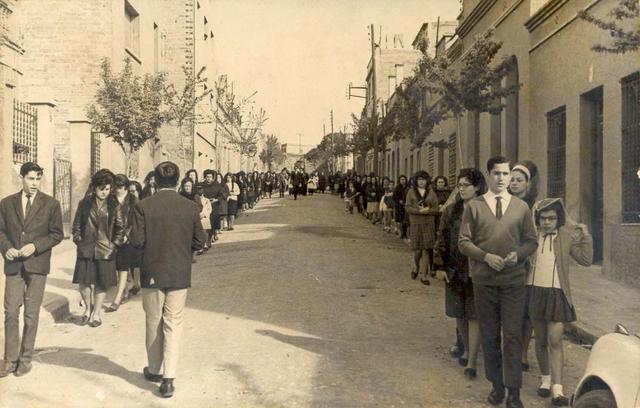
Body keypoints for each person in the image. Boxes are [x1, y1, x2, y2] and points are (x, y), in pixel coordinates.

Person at [458, 156, 538, 408]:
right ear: (489, 176)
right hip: (485, 281)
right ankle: (497, 386)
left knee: (513, 335)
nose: (502, 179)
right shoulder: (475, 206)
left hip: (513, 281)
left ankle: (514, 391)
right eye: (497, 174)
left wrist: (519, 254)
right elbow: (463, 242)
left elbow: (531, 240)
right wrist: (485, 256)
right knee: (490, 335)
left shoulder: (521, 207)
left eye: (506, 174)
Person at [130, 161, 206, 398]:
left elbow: (136, 241)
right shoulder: (190, 207)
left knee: (154, 321)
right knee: (174, 323)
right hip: (179, 272)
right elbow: (200, 241)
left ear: (155, 180)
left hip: (152, 271)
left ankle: (154, 370)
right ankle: (169, 379)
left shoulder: (143, 206)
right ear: (177, 181)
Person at [0, 162, 63, 377]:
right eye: (30, 178)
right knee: (10, 312)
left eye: (38, 178)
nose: (35, 183)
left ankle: (25, 359)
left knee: (31, 314)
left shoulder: (51, 204)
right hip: (14, 264)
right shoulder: (6, 203)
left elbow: (57, 234)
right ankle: (9, 360)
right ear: (22, 178)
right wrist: (6, 248)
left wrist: (35, 246)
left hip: (37, 265)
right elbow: (0, 231)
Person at [528, 198, 592, 406]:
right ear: (537, 219)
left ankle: (558, 388)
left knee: (555, 341)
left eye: (552, 218)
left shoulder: (565, 238)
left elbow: (585, 260)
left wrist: (586, 237)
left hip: (557, 294)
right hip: (535, 293)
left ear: (559, 219)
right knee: (540, 341)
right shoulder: (531, 237)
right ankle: (545, 379)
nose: (547, 222)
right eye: (543, 218)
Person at [436, 168, 486, 380]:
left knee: (474, 315)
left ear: (477, 187)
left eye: (466, 185)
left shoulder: (487, 210)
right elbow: (442, 238)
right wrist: (439, 266)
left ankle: (472, 359)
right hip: (454, 268)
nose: (462, 189)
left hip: (478, 270)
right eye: (460, 185)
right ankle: (465, 347)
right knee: (459, 313)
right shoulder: (451, 211)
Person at [72, 169, 125, 328]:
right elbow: (76, 226)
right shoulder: (85, 203)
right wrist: (78, 240)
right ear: (94, 187)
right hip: (86, 248)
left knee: (101, 283)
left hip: (105, 250)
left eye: (108, 189)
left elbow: (120, 229)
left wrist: (114, 246)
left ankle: (96, 314)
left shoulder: (114, 205)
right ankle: (87, 310)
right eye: (101, 188)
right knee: (84, 282)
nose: (104, 192)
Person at [106, 174, 142, 312]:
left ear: (126, 187)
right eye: (115, 187)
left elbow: (136, 220)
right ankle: (125, 290)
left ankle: (117, 298)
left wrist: (128, 235)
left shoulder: (134, 201)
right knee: (117, 267)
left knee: (123, 267)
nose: (117, 190)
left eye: (120, 187)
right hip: (112, 237)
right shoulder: (110, 199)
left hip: (127, 239)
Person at [405, 170, 439, 285]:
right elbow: (408, 208)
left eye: (423, 180)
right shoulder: (411, 192)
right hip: (416, 223)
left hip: (428, 223)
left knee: (426, 249)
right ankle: (415, 267)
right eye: (419, 180)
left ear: (427, 181)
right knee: (417, 249)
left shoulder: (431, 192)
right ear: (416, 181)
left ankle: (424, 276)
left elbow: (436, 208)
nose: (421, 182)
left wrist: (428, 210)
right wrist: (419, 211)